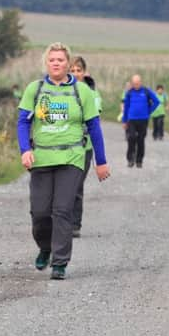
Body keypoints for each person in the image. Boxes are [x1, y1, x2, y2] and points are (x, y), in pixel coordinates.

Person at [17, 42, 110, 280]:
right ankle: (45, 247)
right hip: (41, 158)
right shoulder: (35, 89)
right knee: (39, 212)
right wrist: (25, 149)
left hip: (72, 157)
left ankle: (60, 262)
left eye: (60, 60)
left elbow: (94, 127)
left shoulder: (82, 92)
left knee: (62, 210)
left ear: (68, 64)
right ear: (46, 63)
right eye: (52, 60)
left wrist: (101, 162)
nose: (56, 63)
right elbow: (23, 122)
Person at [69, 56, 102, 238]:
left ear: (84, 72)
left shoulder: (92, 93)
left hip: (84, 147)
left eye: (78, 70)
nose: (75, 74)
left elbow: (94, 121)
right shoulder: (60, 91)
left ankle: (75, 224)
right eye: (72, 71)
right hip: (63, 146)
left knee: (76, 185)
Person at [122, 74, 160, 168]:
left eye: (138, 83)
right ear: (132, 83)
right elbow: (126, 108)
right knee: (131, 138)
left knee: (140, 140)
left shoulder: (146, 91)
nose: (136, 85)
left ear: (141, 82)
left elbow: (156, 101)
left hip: (143, 120)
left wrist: (149, 111)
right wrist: (124, 120)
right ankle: (130, 159)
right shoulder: (129, 93)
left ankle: (139, 161)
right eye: (134, 83)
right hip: (131, 120)